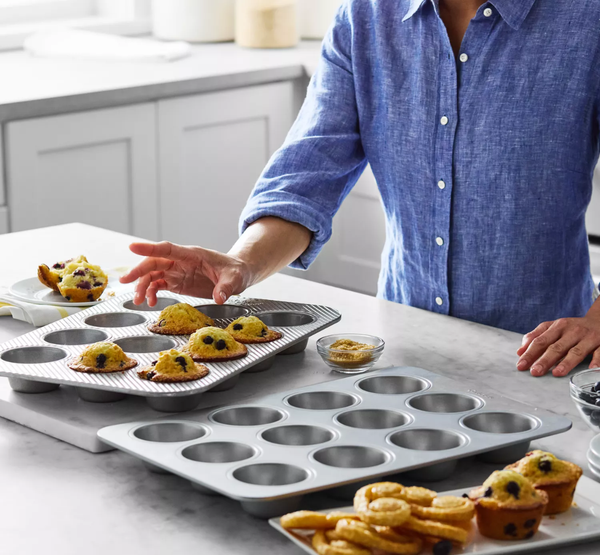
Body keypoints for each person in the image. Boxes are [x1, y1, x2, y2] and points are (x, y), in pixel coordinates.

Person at [121, 0, 600, 378]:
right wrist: (243, 264)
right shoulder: (366, 16)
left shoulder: (587, 19)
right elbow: (307, 176)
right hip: (402, 346)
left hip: (549, 354)